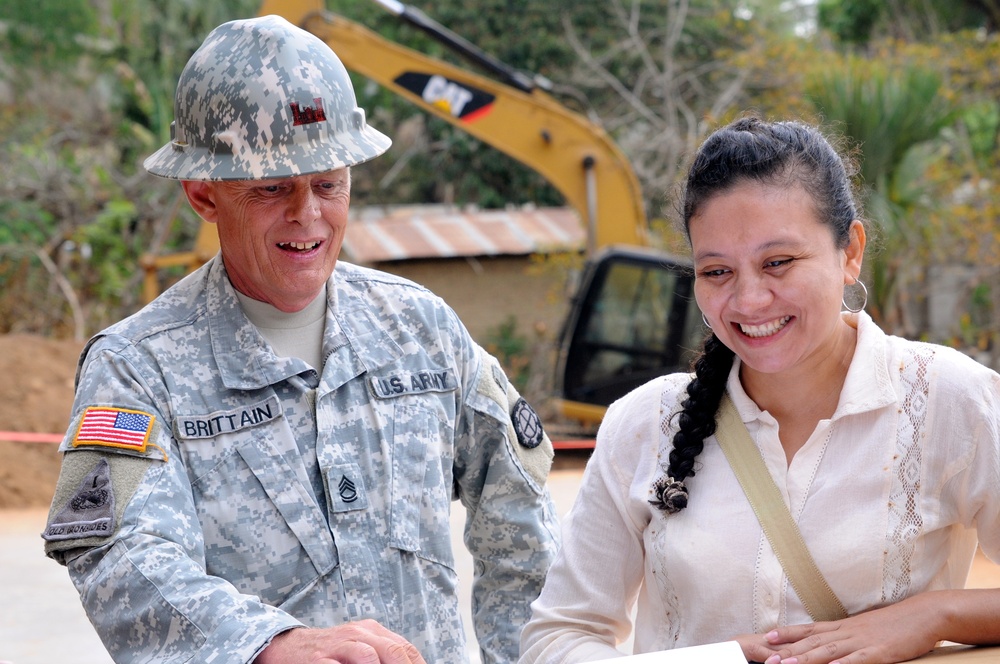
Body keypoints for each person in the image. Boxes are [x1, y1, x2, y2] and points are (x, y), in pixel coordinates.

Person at [41, 15, 559, 664]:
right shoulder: (134, 369)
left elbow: (522, 518)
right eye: (272, 189)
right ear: (203, 193)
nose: (307, 216)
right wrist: (264, 644)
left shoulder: (421, 329)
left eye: (328, 184)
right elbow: (112, 551)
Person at [519, 116, 1000, 663]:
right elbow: (556, 639)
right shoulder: (644, 424)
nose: (749, 301)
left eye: (778, 262)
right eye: (717, 272)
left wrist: (933, 615)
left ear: (851, 251)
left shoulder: (949, 399)